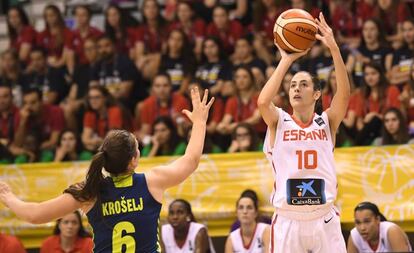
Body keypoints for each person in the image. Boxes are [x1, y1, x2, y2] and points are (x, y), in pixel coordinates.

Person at [0, 87, 214, 252]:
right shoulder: (152, 181)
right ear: (133, 161)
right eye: (138, 149)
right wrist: (199, 122)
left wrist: (8, 197)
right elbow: (191, 159)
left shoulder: (89, 192)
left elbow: (35, 215)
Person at [257, 13, 350, 253]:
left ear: (317, 94)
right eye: (292, 85)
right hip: (288, 220)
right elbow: (263, 102)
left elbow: (344, 95)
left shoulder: (326, 122)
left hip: (324, 217)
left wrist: (334, 49)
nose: (296, 88)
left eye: (304, 84)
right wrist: (286, 59)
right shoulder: (280, 121)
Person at [347, 202, 412, 253]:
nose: (362, 228)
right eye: (358, 222)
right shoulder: (354, 235)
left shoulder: (391, 231)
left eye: (367, 221)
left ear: (377, 219)